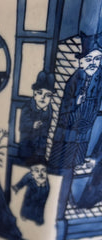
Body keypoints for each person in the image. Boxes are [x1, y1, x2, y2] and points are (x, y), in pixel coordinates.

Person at [49, 33, 102, 173]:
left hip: (86, 122)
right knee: (66, 144)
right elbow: (66, 104)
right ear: (81, 62)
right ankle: (60, 166)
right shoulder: (75, 78)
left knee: (81, 144)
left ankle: (77, 163)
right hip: (71, 121)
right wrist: (76, 102)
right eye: (89, 59)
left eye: (97, 59)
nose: (93, 63)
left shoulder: (98, 79)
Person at [18, 71, 54, 161]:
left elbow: (48, 126)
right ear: (34, 94)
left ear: (51, 98)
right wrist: (32, 125)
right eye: (40, 93)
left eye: (47, 95)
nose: (43, 97)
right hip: (27, 147)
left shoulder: (49, 110)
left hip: (41, 148)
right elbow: (23, 123)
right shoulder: (28, 107)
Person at [12, 157, 50, 225]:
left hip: (41, 197)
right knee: (27, 205)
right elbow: (23, 181)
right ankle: (25, 215)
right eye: (36, 171)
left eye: (43, 170)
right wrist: (17, 187)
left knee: (39, 208)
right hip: (31, 195)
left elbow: (47, 188)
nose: (40, 173)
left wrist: (43, 187)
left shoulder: (46, 181)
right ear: (32, 172)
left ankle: (38, 219)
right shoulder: (29, 176)